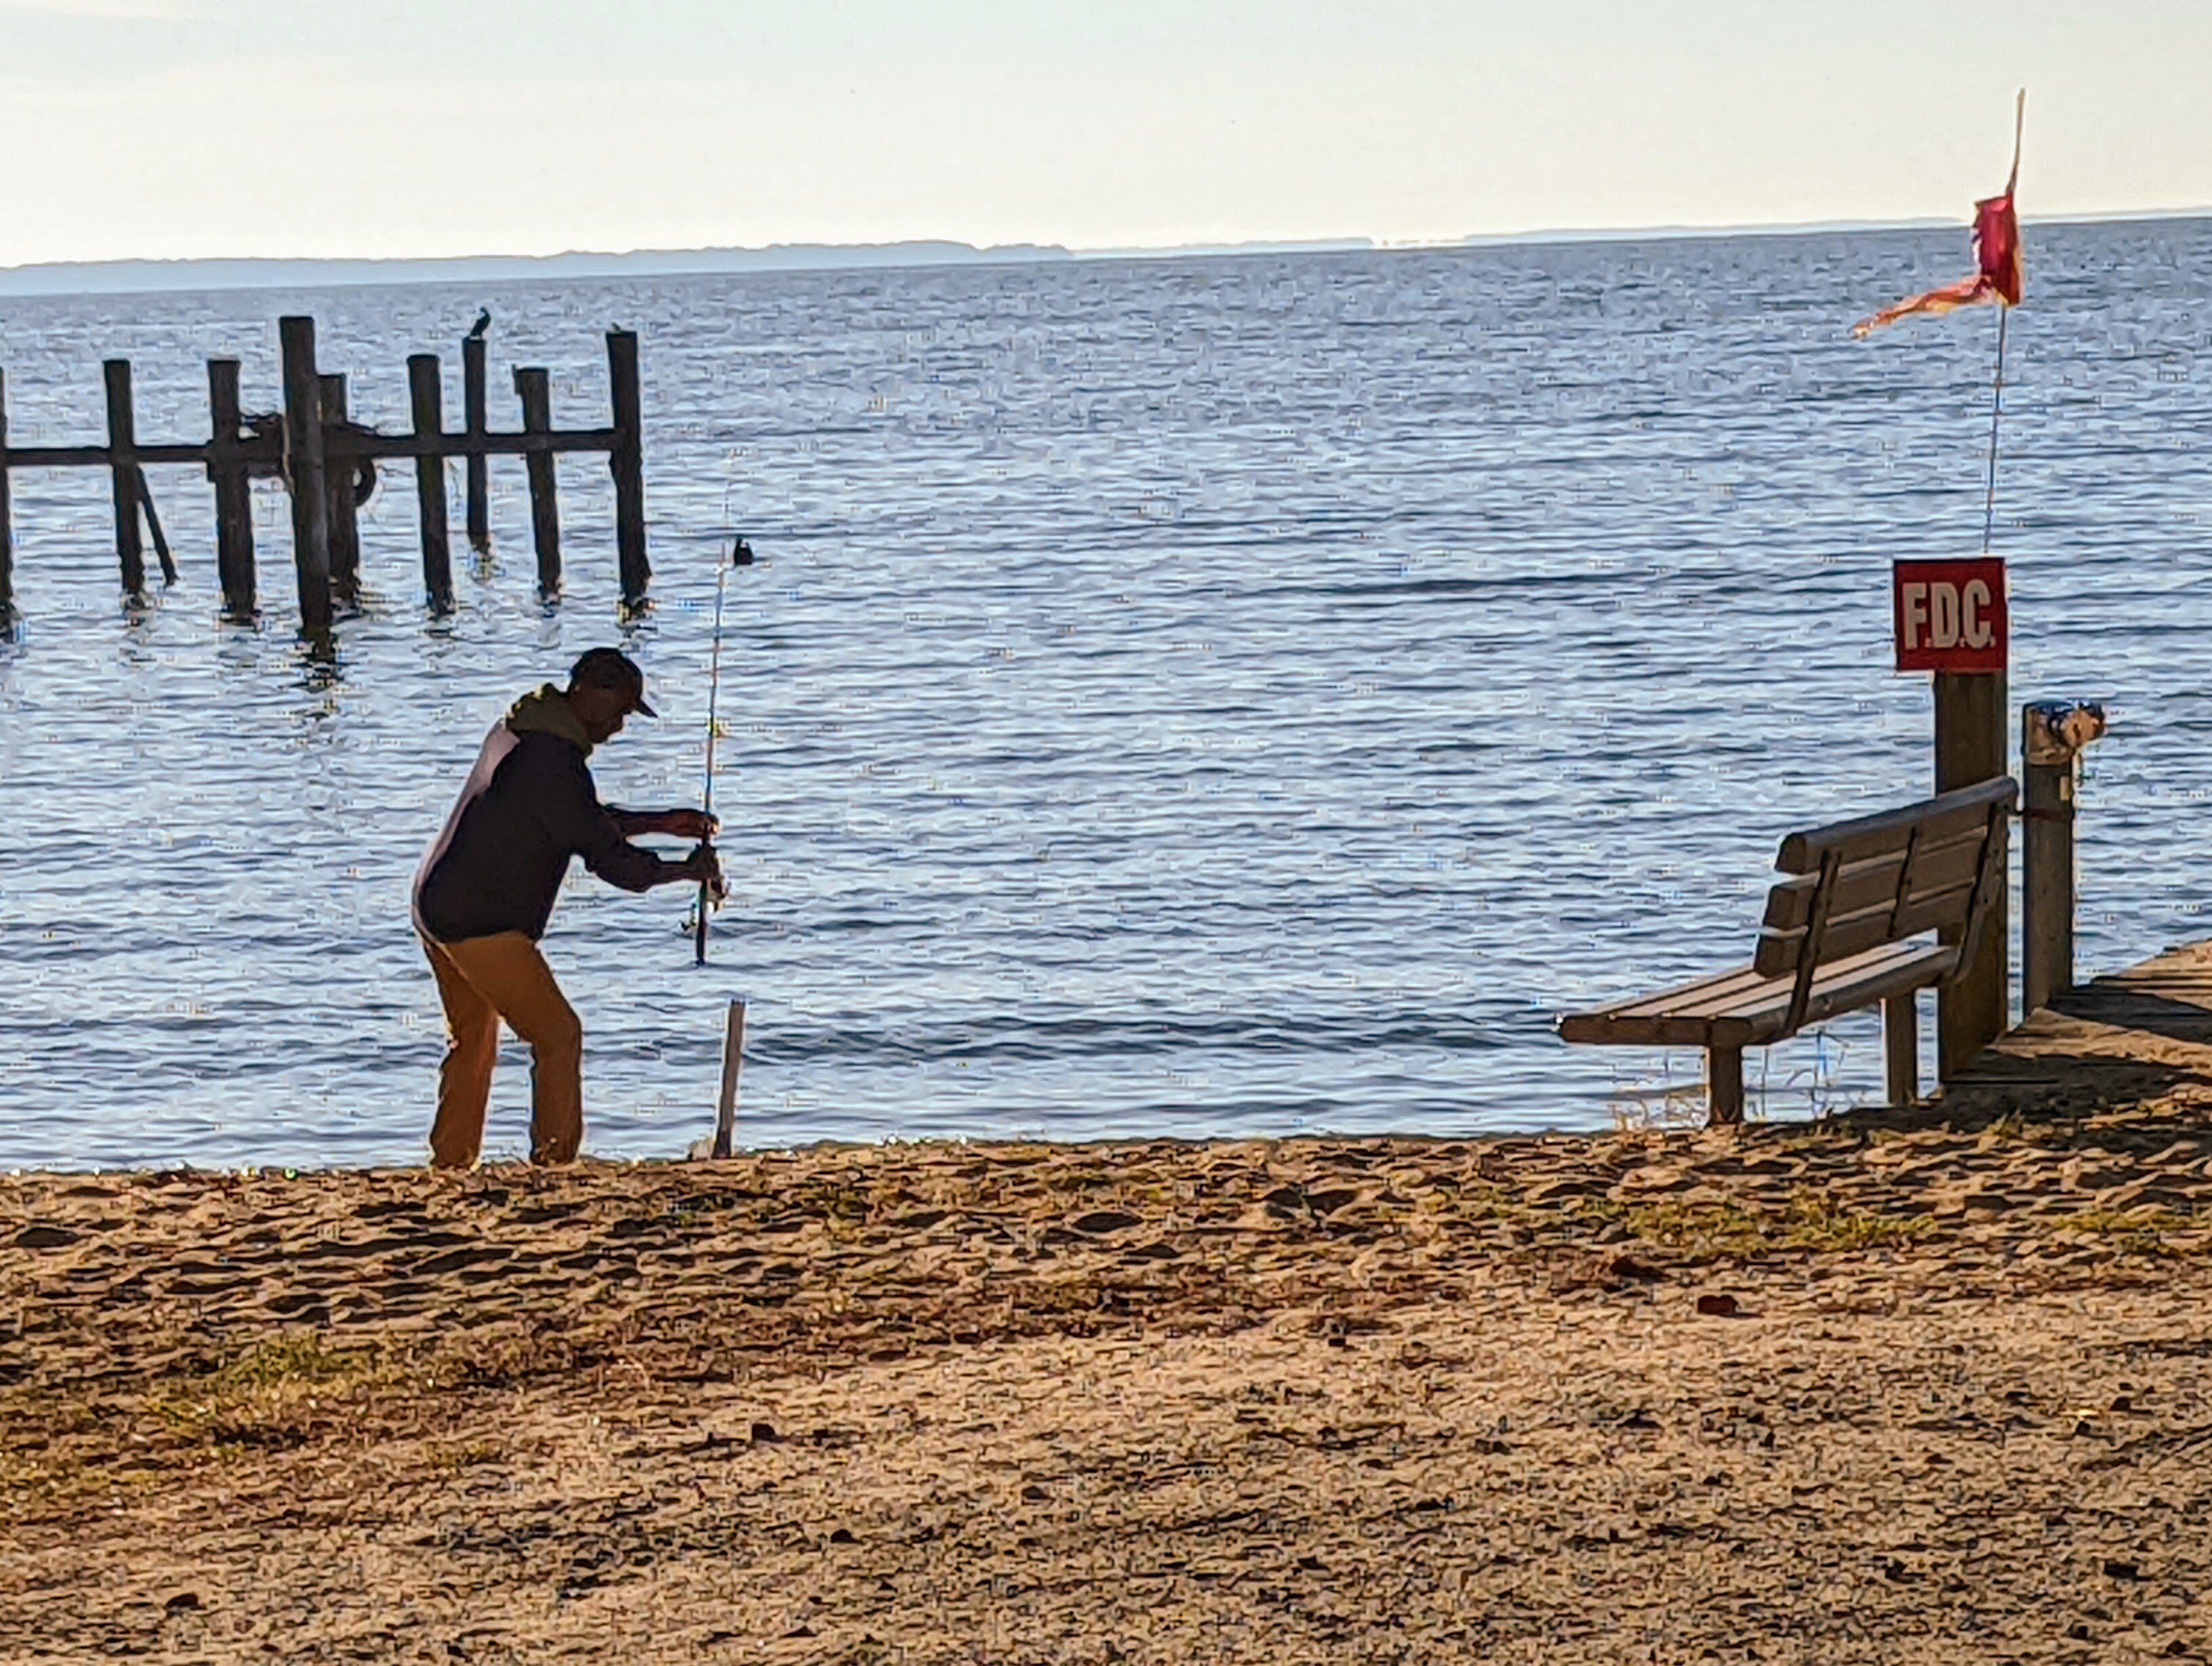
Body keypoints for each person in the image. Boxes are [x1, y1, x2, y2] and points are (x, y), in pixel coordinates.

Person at [412, 647, 722, 1168]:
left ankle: (450, 1165)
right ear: (587, 693)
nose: (621, 725)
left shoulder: (526, 729)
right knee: (558, 1034)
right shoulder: (551, 759)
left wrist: (662, 822)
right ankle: (555, 1162)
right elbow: (611, 861)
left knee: (473, 1041)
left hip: (436, 901)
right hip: (477, 921)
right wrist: (688, 871)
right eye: (620, 710)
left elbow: (577, 818)